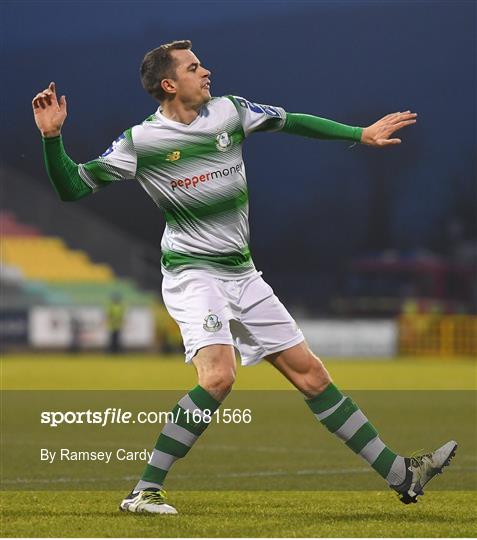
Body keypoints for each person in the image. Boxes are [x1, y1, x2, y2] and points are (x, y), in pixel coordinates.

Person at [32, 40, 456, 515]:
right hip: (194, 274)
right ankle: (144, 491)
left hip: (242, 272)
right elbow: (72, 187)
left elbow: (292, 121)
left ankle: (403, 475)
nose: (207, 72)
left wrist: (359, 134)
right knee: (218, 375)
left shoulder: (230, 112)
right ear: (169, 84)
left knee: (312, 375)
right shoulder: (142, 142)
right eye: (195, 68)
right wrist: (53, 139)